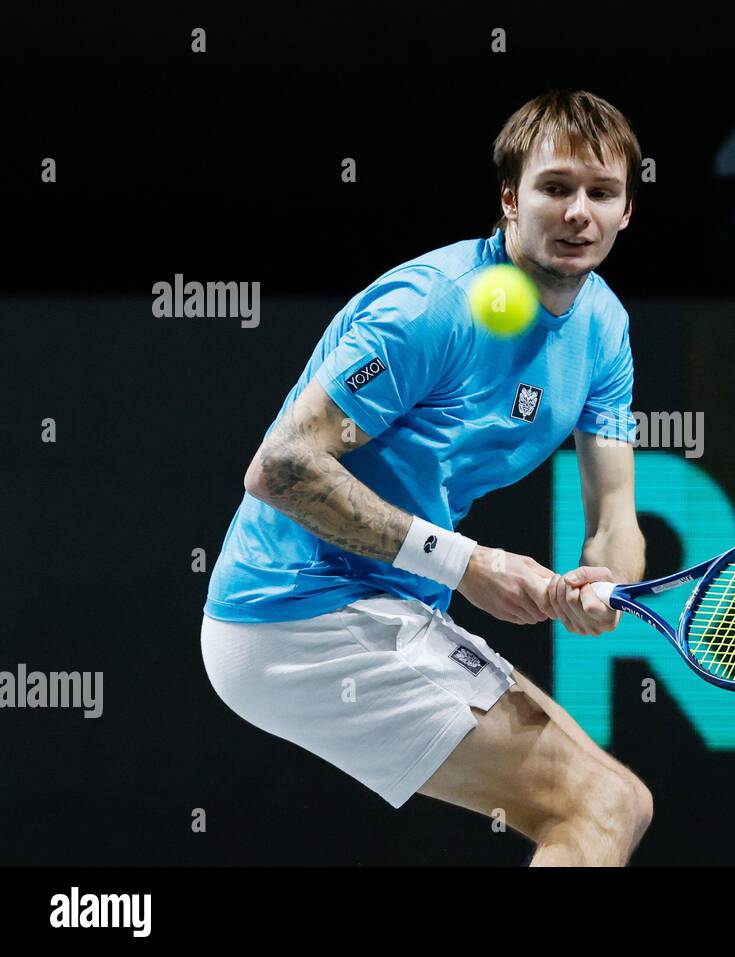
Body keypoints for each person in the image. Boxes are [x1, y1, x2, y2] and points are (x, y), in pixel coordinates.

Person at [200, 89, 652, 866]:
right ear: (511, 198)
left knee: (620, 804)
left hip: (382, 603)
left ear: (626, 212)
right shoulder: (432, 308)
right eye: (556, 188)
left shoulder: (604, 328)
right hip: (298, 609)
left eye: (601, 193)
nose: (579, 212)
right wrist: (467, 564)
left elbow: (616, 512)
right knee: (599, 802)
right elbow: (279, 467)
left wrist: (605, 586)